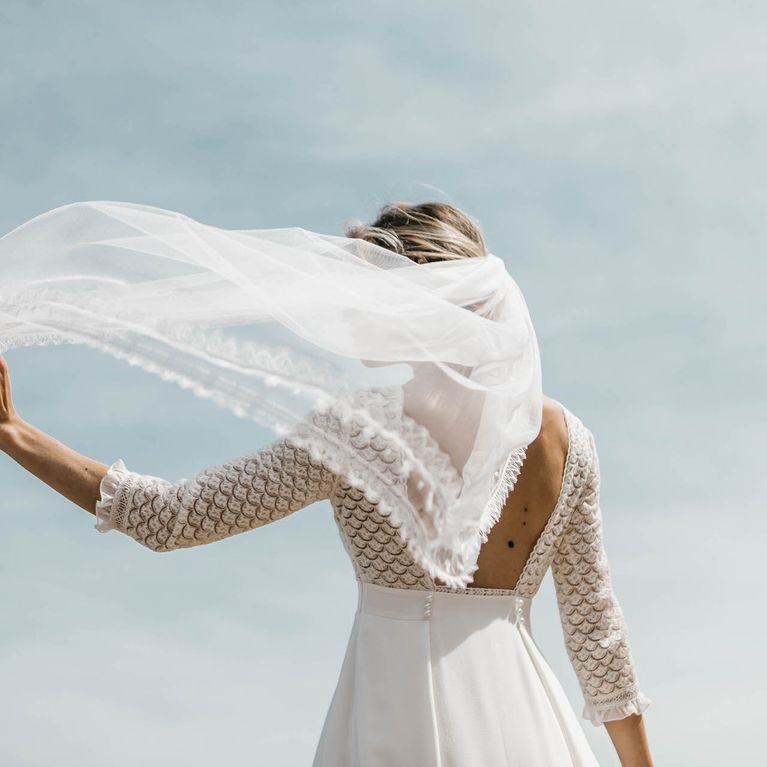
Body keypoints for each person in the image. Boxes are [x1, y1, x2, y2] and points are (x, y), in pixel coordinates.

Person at [0, 202, 653, 766]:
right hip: (524, 724)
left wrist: (15, 433)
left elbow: (170, 518)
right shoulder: (566, 441)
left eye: (369, 290)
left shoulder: (358, 434)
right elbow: (597, 637)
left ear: (417, 305)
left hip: (391, 718)